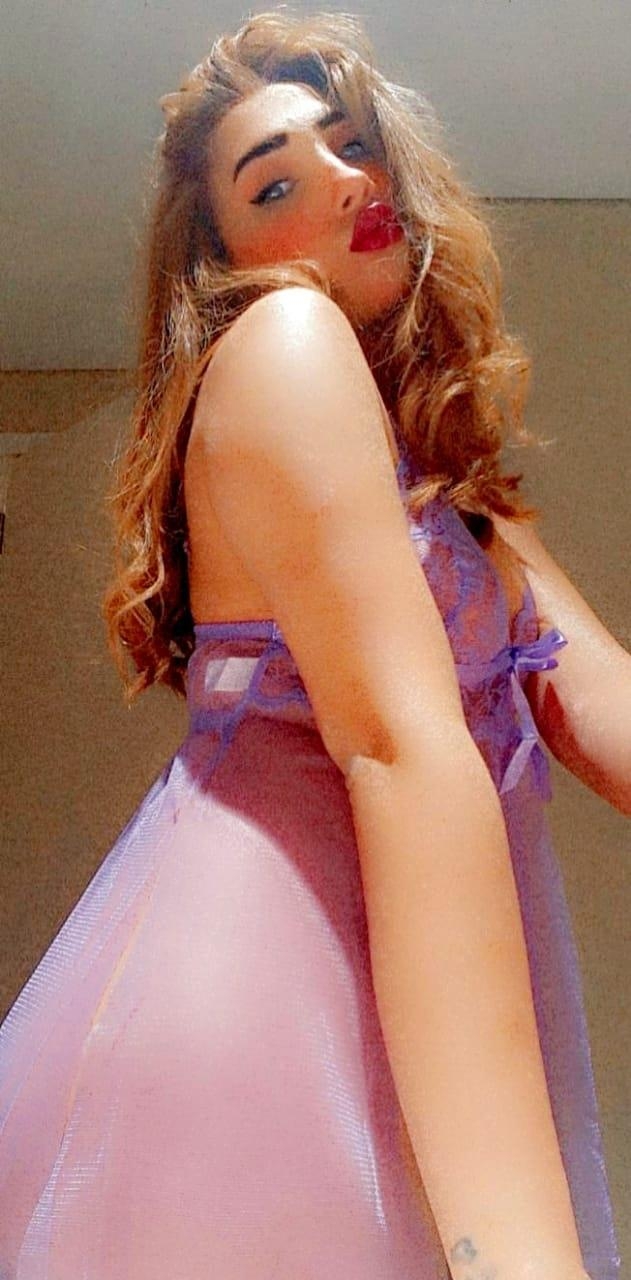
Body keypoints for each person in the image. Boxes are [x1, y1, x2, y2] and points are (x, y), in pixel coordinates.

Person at [0, 8, 627, 1278]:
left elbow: (604, 705)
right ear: (217, 261)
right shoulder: (281, 340)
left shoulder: (450, 494)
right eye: (274, 182)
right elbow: (401, 750)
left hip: (401, 1002)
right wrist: (512, 1250)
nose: (344, 179)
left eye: (351, 143)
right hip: (270, 1015)